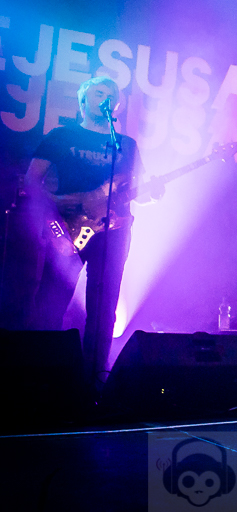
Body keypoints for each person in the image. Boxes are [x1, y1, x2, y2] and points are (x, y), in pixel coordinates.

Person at [24, 76, 152, 394]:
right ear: (83, 99)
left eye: (112, 95)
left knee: (104, 306)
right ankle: (40, 378)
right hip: (66, 226)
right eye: (99, 93)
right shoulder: (62, 135)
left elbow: (138, 190)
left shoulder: (126, 144)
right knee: (51, 300)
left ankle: (93, 382)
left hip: (114, 230)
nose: (106, 98)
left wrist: (152, 191)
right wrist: (56, 218)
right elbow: (31, 183)